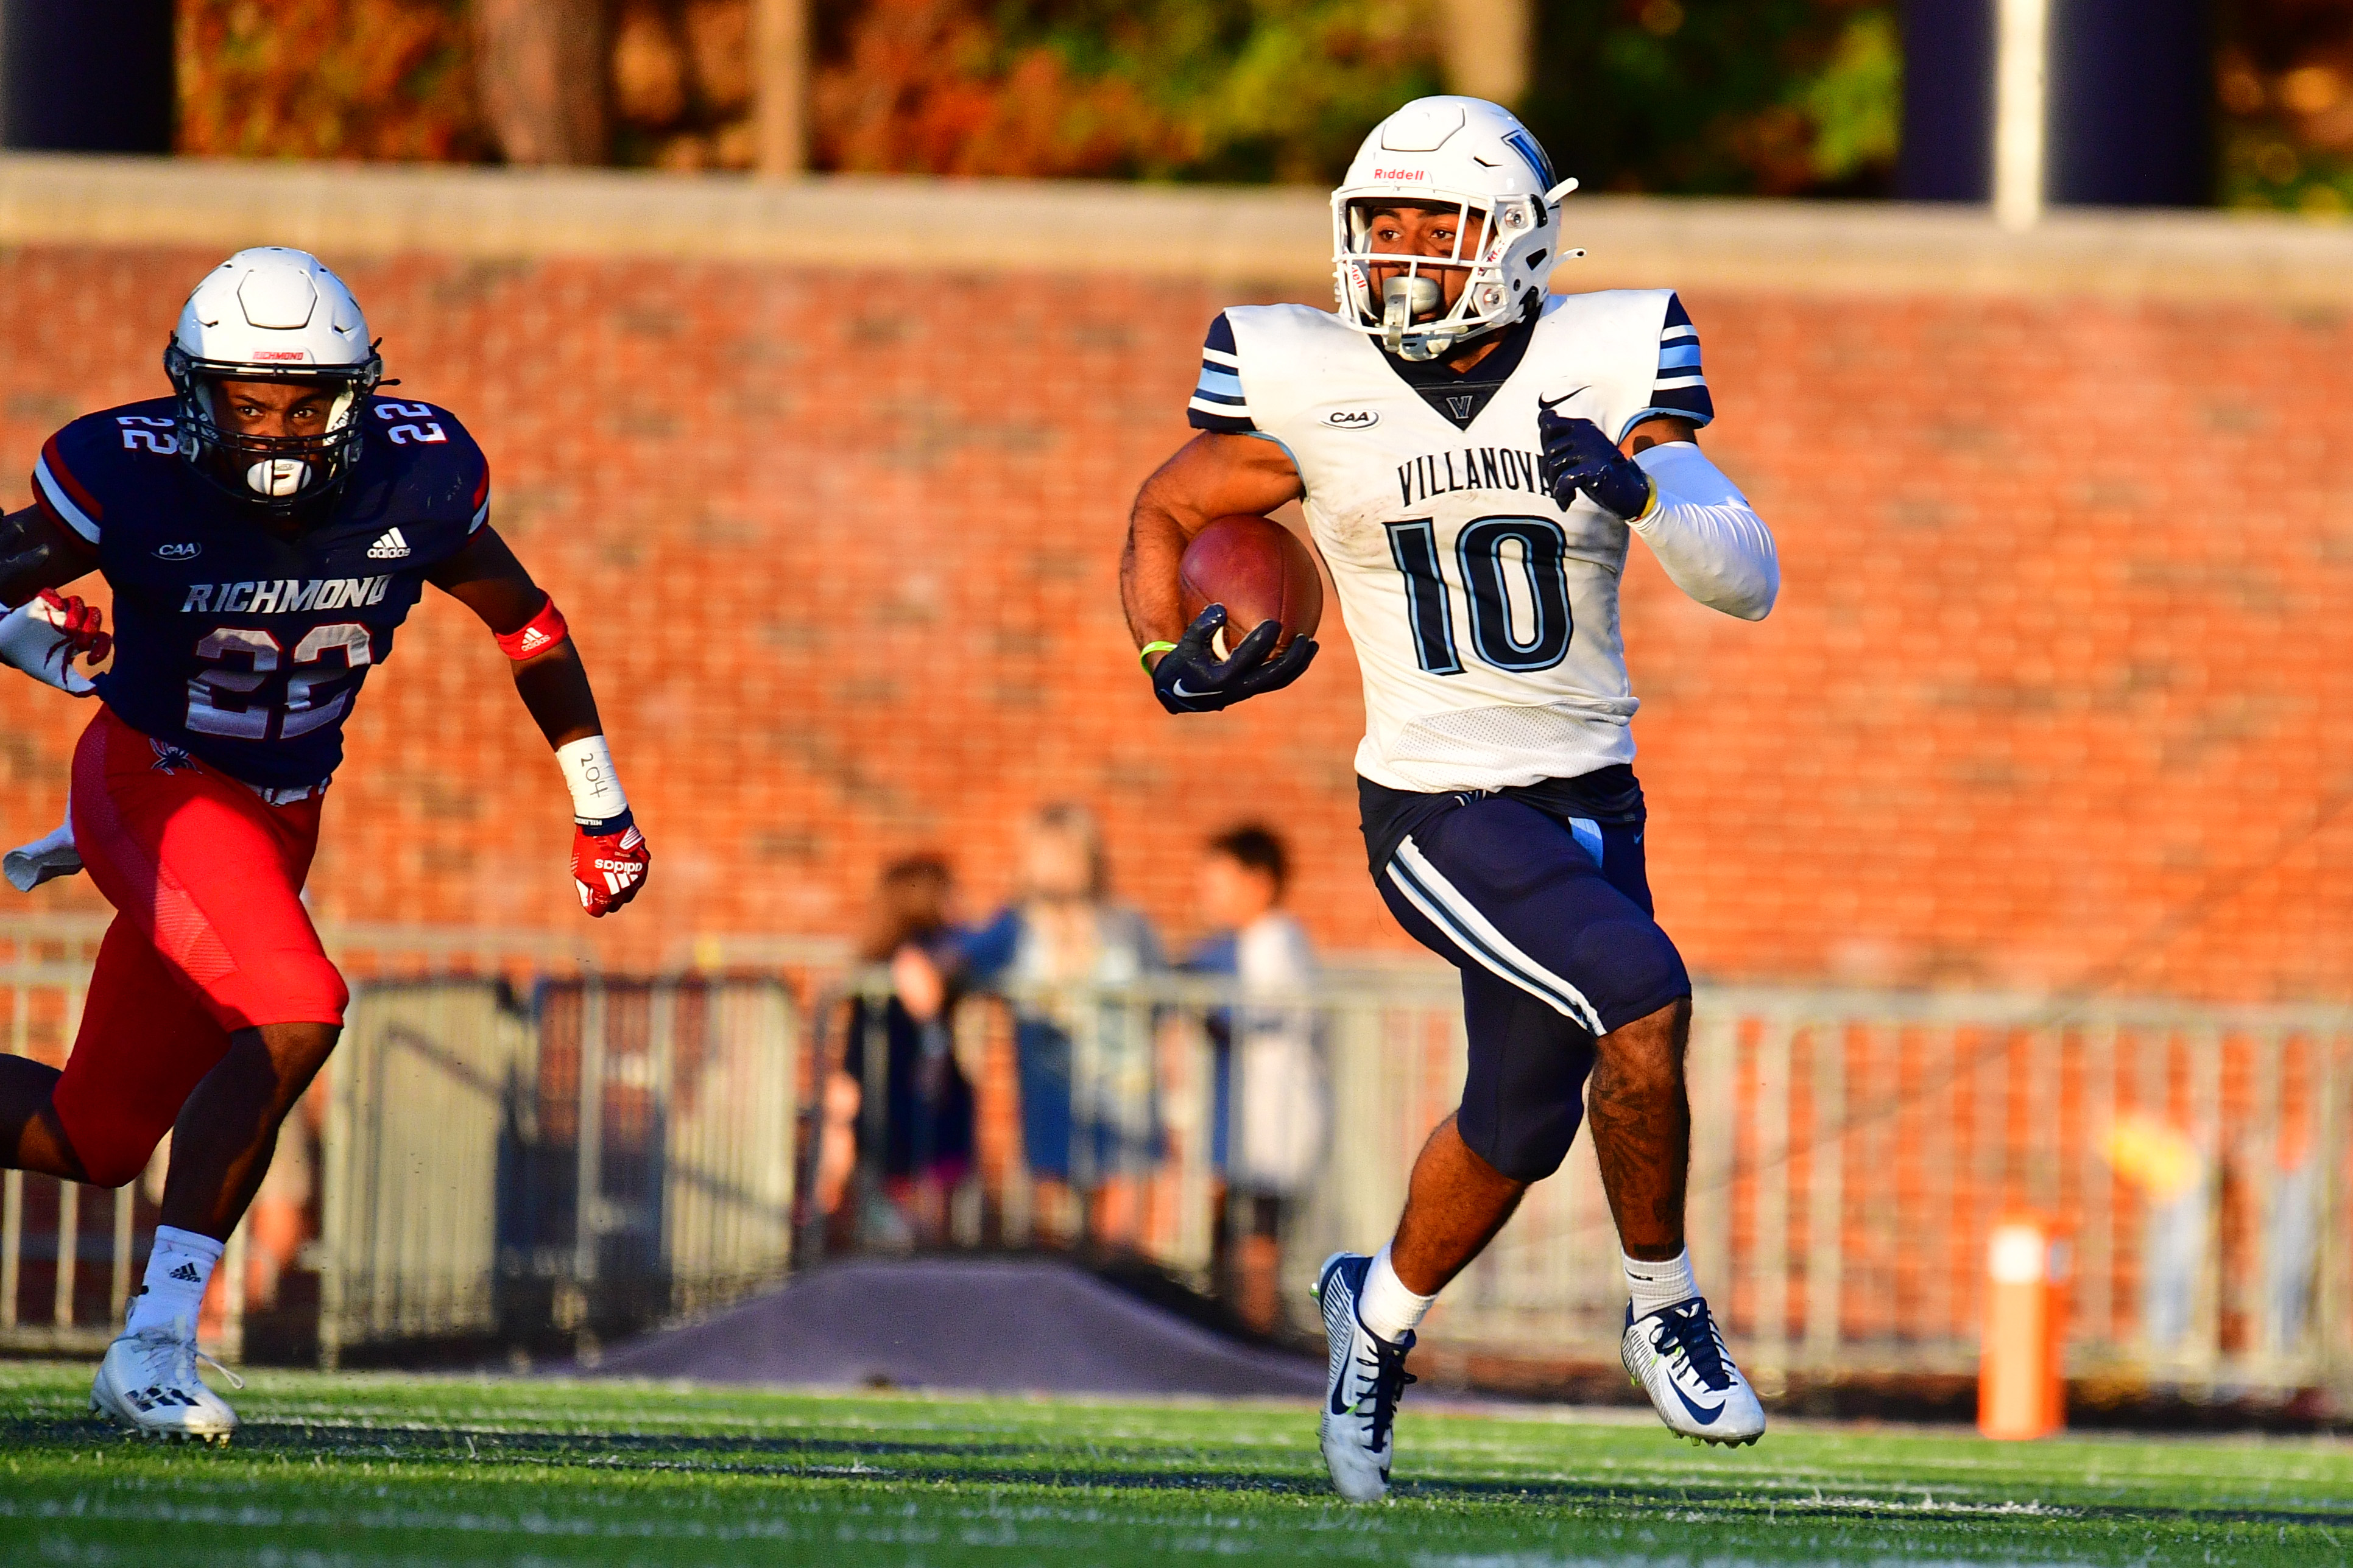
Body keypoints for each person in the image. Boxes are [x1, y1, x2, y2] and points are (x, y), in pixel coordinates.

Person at [1120, 97, 1780, 1499]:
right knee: (1641, 992)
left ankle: (1373, 1316)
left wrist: (1644, 493)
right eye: (1379, 226)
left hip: (1591, 795)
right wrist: (1157, 648)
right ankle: (1660, 1304)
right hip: (1433, 801)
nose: (1400, 255)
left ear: (1518, 238)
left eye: (1435, 224)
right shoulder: (1304, 374)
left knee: (1519, 1118)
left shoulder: (1606, 355)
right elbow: (1166, 509)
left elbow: (1746, 578)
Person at [0, 247, 651, 1441]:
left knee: (94, 1136)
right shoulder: (128, 476)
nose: (278, 432)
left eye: (306, 403)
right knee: (297, 1006)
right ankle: (155, 1340)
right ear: (197, 396)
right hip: (158, 783)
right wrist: (30, 633)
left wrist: (599, 801)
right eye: (248, 402)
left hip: (279, 810)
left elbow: (529, 623)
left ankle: (152, 1332)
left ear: (358, 400)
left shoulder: (416, 479)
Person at [955, 804, 1162, 1240]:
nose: (1056, 866)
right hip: (1052, 1102)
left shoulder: (1127, 924)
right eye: (1046, 853)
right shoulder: (1016, 927)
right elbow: (962, 954)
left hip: (1123, 1101)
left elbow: (1164, 998)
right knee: (1053, 1244)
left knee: (1119, 1251)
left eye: (1067, 852)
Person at [1187, 824, 1324, 1334]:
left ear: (1259, 882)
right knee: (1226, 1225)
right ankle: (1224, 1326)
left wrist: (1210, 1010)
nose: (1208, 896)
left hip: (1275, 1119)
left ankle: (1255, 1333)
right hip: (1239, 1123)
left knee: (1262, 1232)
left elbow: (1262, 1012)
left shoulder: (1280, 942)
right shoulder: (1227, 946)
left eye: (1219, 883)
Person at [825, 855, 977, 1246]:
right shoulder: (900, 966)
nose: (959, 907)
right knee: (907, 1243)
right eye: (949, 895)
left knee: (916, 1241)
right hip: (903, 1128)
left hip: (922, 1124)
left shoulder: (932, 960)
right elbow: (855, 1063)